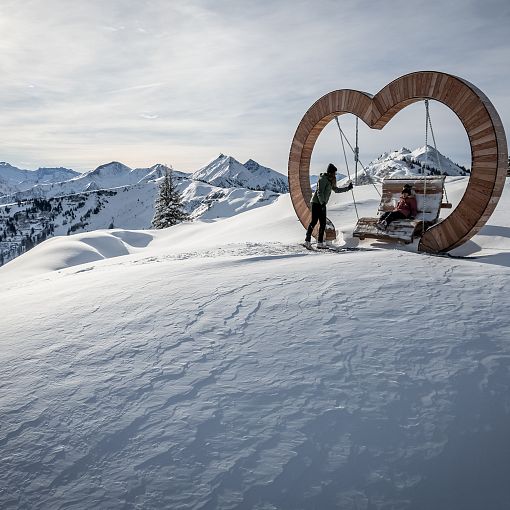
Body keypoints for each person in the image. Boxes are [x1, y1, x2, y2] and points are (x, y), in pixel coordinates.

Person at [305, 163, 353, 248]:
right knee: (314, 221)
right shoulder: (323, 179)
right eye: (334, 173)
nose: (335, 174)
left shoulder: (330, 181)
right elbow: (319, 192)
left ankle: (320, 243)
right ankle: (307, 241)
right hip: (316, 203)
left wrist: (347, 188)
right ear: (330, 172)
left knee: (323, 224)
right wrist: (322, 203)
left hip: (322, 203)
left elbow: (336, 190)